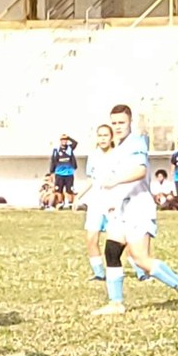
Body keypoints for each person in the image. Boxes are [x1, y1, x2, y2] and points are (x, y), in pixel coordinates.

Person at [88, 103, 178, 315]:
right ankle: (116, 303)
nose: (117, 127)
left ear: (130, 122)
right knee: (112, 250)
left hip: (139, 207)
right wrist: (113, 201)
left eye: (122, 122)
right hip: (123, 209)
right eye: (114, 123)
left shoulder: (136, 143)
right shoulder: (119, 148)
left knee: (140, 259)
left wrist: (114, 181)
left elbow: (139, 171)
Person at [77, 121, 118, 282]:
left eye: (105, 135)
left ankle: (141, 271)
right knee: (91, 238)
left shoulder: (118, 155)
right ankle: (99, 273)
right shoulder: (93, 156)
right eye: (100, 135)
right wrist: (78, 196)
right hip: (96, 203)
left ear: (111, 137)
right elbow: (91, 179)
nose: (102, 139)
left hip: (113, 202)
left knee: (119, 240)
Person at [50, 134, 79, 210]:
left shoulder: (69, 148)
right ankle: (60, 203)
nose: (64, 141)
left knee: (69, 190)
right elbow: (53, 161)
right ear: (60, 141)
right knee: (58, 190)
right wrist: (52, 172)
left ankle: (70, 204)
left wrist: (69, 137)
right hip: (59, 174)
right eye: (63, 139)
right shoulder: (56, 149)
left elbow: (75, 143)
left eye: (66, 140)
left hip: (69, 173)